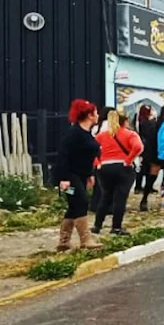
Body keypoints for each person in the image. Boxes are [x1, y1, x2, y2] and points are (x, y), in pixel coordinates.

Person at [54, 99, 102, 251]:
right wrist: (63, 179)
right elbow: (63, 156)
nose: (98, 115)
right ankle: (85, 239)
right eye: (95, 113)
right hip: (69, 176)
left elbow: (85, 157)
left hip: (81, 175)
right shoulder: (74, 133)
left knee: (74, 204)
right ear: (89, 115)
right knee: (81, 201)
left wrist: (90, 174)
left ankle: (64, 241)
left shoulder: (87, 133)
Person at [92, 112, 144, 235]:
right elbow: (138, 147)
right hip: (123, 167)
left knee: (105, 197)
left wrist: (97, 163)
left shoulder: (102, 135)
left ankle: (97, 225)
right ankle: (116, 227)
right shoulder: (130, 134)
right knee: (120, 198)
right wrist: (128, 160)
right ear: (125, 121)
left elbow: (90, 149)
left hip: (105, 167)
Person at [138, 106, 160, 212]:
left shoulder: (147, 122)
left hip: (148, 150)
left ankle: (145, 193)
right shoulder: (147, 123)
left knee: (148, 173)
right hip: (151, 151)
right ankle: (144, 194)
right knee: (149, 173)